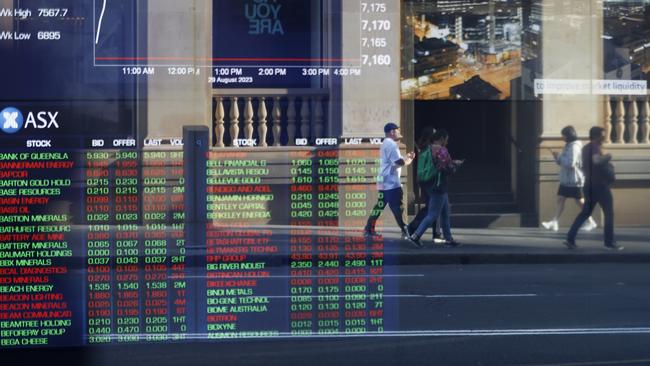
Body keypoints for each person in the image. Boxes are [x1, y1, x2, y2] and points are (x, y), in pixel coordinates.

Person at [565, 126, 622, 250]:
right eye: (602, 135)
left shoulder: (585, 148)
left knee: (585, 213)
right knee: (609, 213)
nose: (604, 137)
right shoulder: (594, 147)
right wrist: (608, 156)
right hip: (600, 186)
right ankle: (609, 243)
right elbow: (596, 161)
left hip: (589, 186)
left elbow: (582, 166)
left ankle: (570, 238)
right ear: (596, 136)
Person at [408, 129, 463, 247]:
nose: (447, 142)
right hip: (439, 185)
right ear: (442, 138)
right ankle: (415, 236)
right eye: (446, 139)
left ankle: (449, 239)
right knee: (432, 214)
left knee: (445, 213)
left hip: (431, 185)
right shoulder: (441, 150)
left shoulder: (428, 149)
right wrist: (456, 165)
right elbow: (446, 168)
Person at [364, 122, 415, 240]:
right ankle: (405, 231)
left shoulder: (385, 143)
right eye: (397, 130)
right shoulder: (391, 144)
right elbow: (398, 162)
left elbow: (393, 161)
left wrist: (405, 157)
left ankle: (368, 229)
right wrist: (409, 160)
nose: (399, 132)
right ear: (392, 132)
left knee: (380, 206)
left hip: (383, 181)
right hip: (391, 182)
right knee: (398, 208)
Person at [542, 126, 597, 232]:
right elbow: (564, 161)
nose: (562, 137)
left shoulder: (574, 147)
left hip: (573, 179)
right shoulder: (569, 145)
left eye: (563, 135)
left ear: (568, 135)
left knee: (579, 201)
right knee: (561, 199)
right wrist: (556, 156)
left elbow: (570, 163)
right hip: (567, 179)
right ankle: (554, 222)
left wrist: (558, 156)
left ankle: (591, 221)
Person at [407, 126, 443, 242]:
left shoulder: (422, 148)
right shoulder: (432, 148)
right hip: (432, 181)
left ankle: (415, 228)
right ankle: (434, 233)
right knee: (435, 207)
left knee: (430, 207)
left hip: (424, 181)